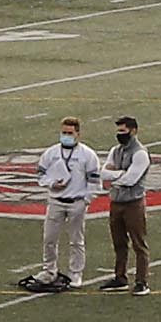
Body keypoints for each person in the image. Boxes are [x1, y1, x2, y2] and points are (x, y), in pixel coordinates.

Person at [32, 117, 98, 291]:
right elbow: (40, 175)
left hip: (76, 202)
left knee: (76, 240)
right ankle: (49, 270)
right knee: (49, 238)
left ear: (78, 134)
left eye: (70, 133)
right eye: (63, 133)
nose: (66, 136)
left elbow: (94, 181)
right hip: (55, 201)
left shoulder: (87, 155)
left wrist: (86, 201)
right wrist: (52, 183)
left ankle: (75, 273)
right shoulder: (51, 153)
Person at [98, 116, 153, 290]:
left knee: (138, 243)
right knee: (118, 242)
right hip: (116, 201)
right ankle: (120, 277)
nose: (120, 134)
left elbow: (131, 179)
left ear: (133, 131)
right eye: (118, 131)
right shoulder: (116, 150)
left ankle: (141, 281)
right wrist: (120, 174)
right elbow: (103, 173)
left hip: (133, 203)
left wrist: (116, 175)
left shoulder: (140, 153)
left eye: (123, 131)